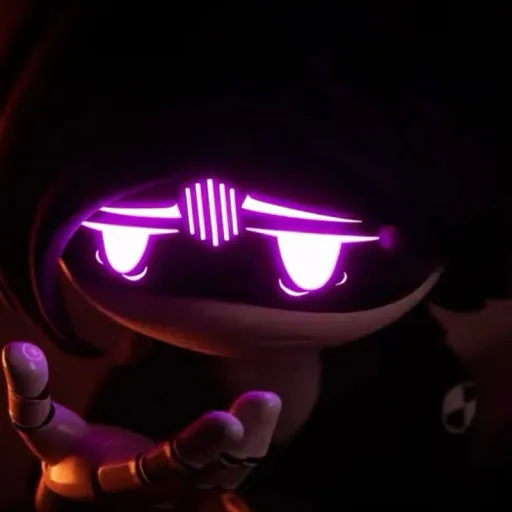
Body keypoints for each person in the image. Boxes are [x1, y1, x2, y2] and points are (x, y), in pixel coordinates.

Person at [0, 2, 502, 510]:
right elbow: (107, 469)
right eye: (127, 241)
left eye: (307, 250)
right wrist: (65, 495)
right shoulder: (149, 397)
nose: (214, 250)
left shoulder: (413, 379)